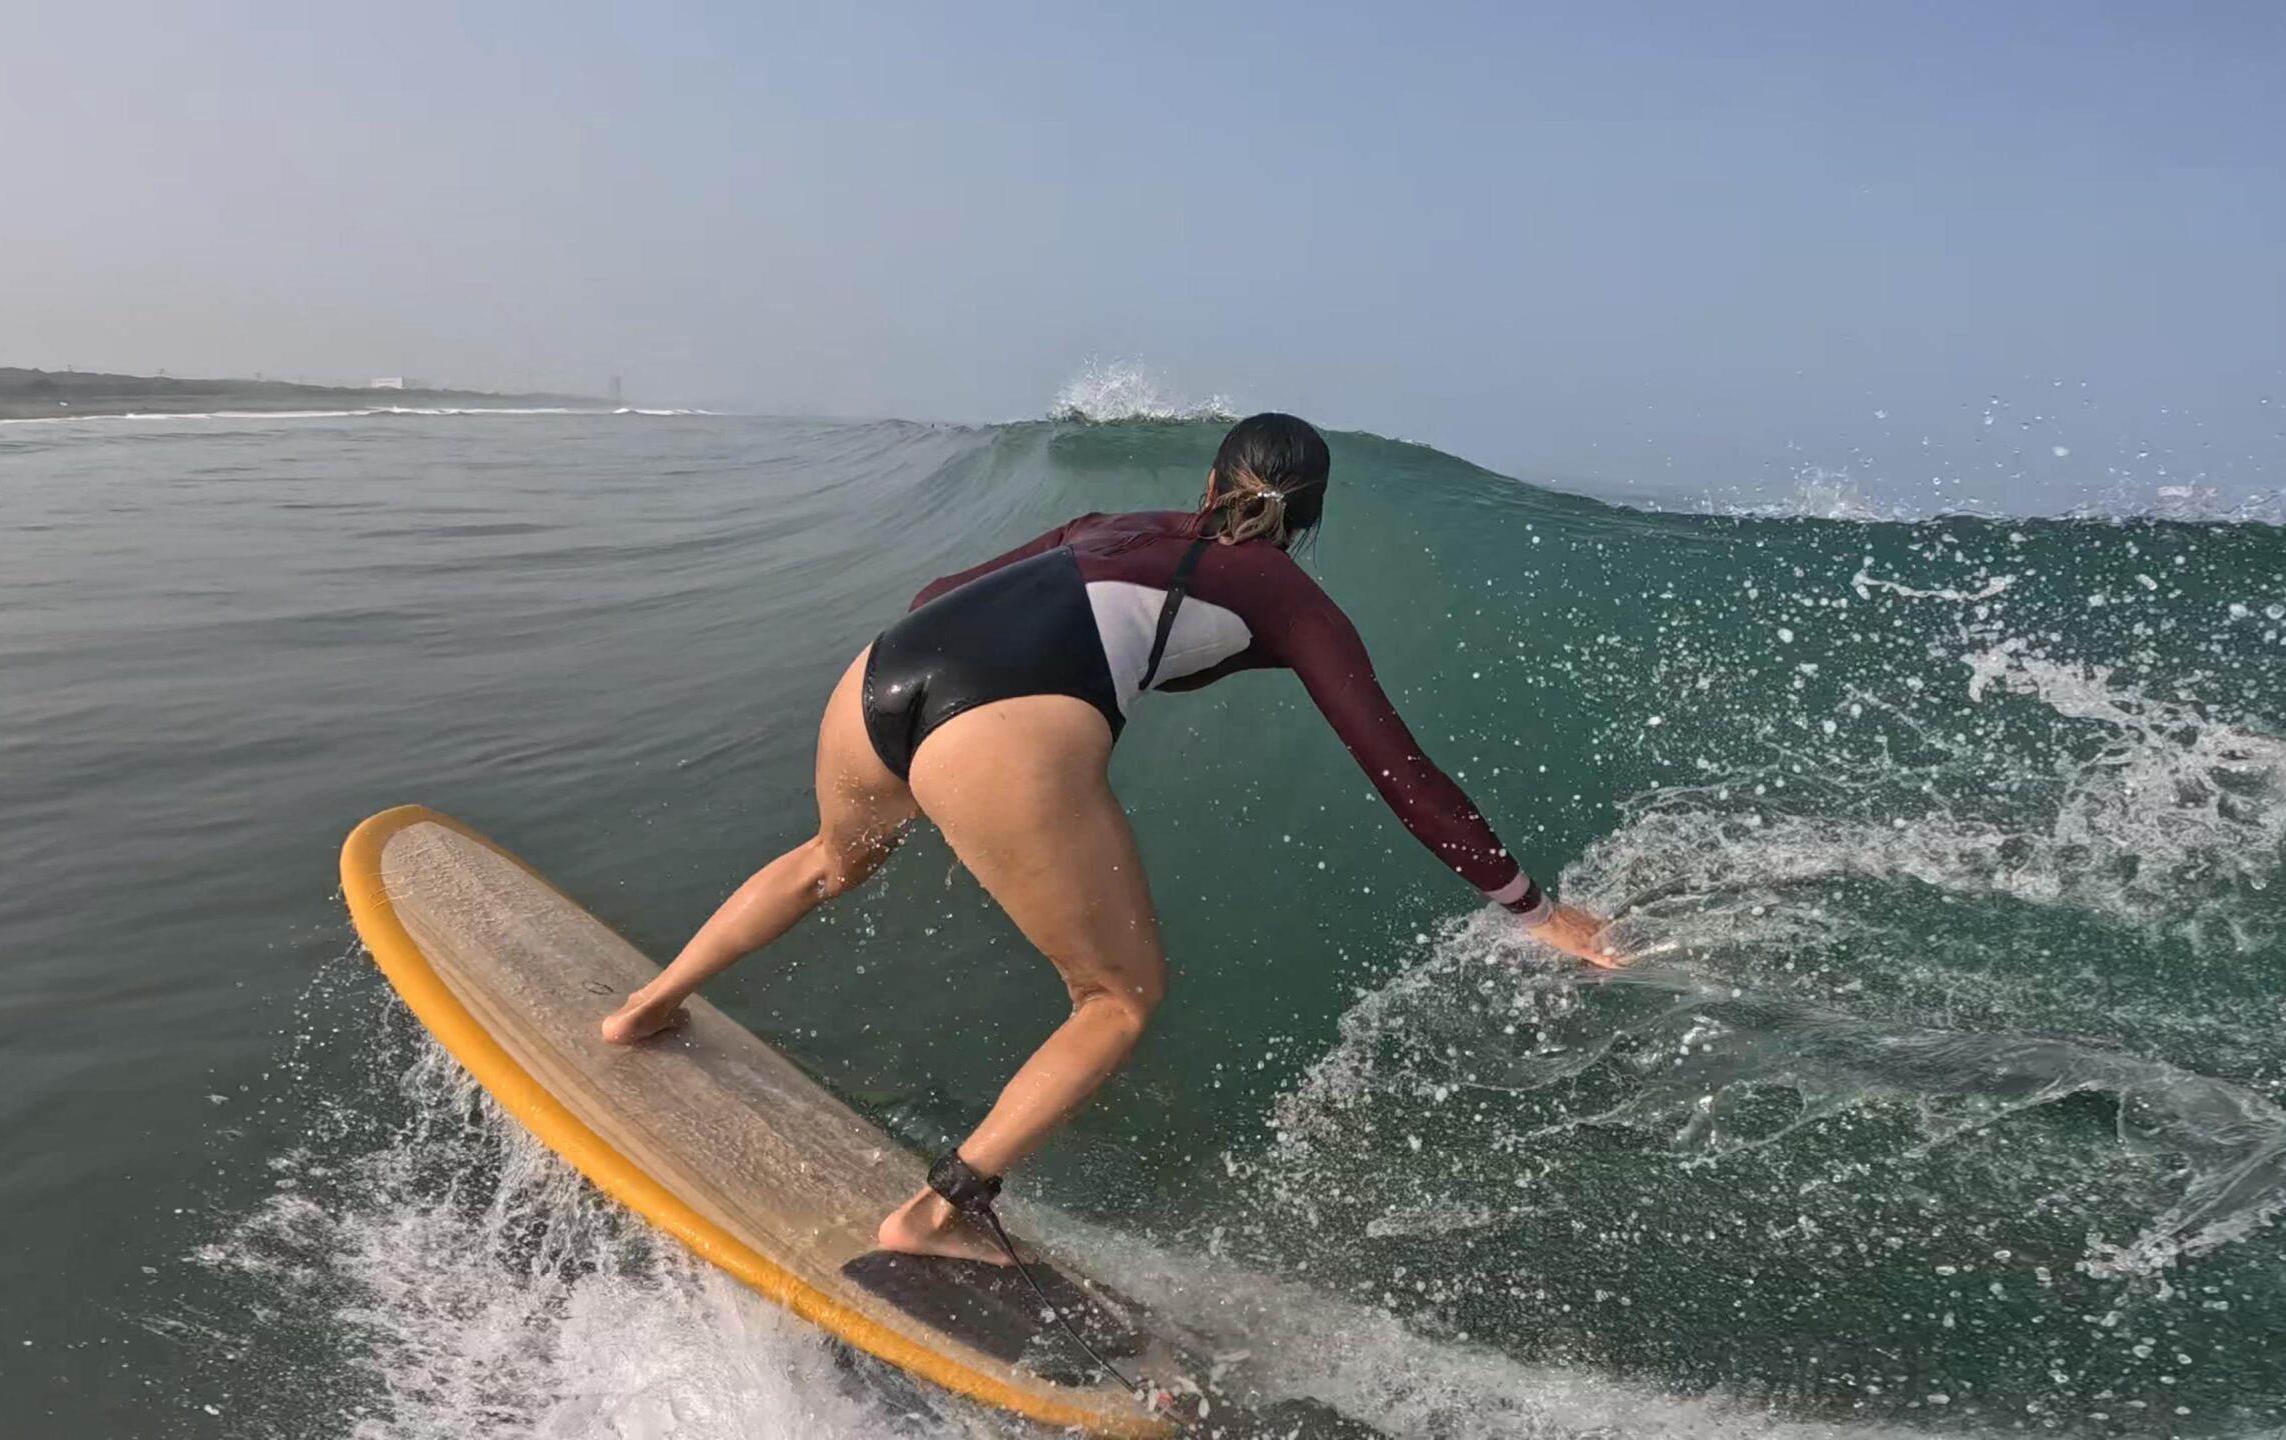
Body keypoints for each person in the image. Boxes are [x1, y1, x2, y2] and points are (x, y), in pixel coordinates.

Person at [601, 412, 1617, 1263]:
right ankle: (936, 1216)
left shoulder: (1108, 523)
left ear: (1211, 481)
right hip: (997, 733)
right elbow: (1401, 772)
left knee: (830, 860)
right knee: (1118, 1000)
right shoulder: (1294, 600)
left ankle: (646, 1008)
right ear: (1310, 517)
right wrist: (1534, 910)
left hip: (881, 675)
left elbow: (933, 595)